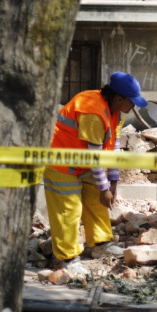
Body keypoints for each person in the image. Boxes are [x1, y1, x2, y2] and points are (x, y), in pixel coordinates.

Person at [43, 71, 148, 274]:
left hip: (85, 162)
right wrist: (104, 187)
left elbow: (114, 145)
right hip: (61, 164)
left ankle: (100, 244)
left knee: (97, 201)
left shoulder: (117, 110)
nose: (133, 106)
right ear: (119, 98)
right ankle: (67, 259)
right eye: (132, 101)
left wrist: (113, 181)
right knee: (68, 211)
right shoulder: (93, 112)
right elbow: (95, 156)